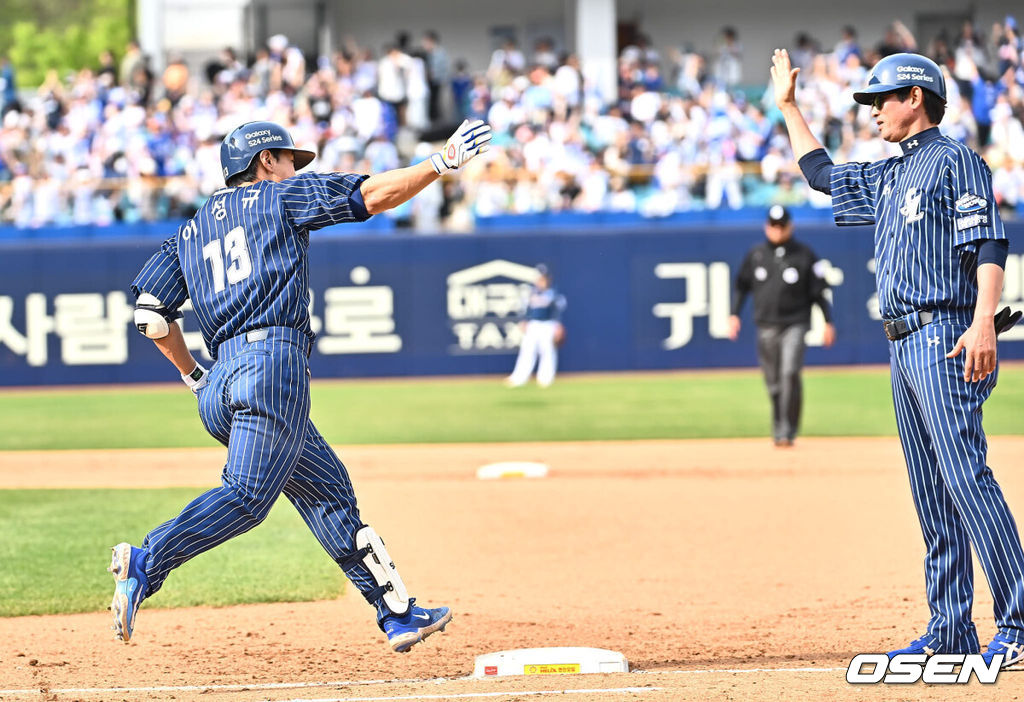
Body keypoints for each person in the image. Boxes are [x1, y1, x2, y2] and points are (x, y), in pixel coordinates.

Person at [110, 118, 491, 652]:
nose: (294, 167)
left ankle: (397, 613)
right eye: (289, 158)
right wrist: (440, 163)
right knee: (246, 497)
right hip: (272, 369)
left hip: (222, 382)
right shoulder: (278, 197)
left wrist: (194, 375)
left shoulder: (189, 232)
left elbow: (150, 316)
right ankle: (149, 559)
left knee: (327, 490)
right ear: (266, 161)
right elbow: (373, 195)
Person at [771, 47, 1024, 666]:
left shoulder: (954, 159)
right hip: (903, 342)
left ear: (915, 97)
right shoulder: (890, 174)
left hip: (945, 333)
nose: (873, 110)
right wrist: (787, 107)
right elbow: (822, 175)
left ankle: (1018, 620)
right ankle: (952, 627)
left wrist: (984, 322)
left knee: (965, 477)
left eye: (880, 98)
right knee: (931, 491)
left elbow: (989, 242)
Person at [728, 205, 835, 447]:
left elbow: (819, 292)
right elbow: (741, 286)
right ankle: (778, 425)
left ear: (790, 226)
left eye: (781, 226)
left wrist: (827, 322)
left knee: (789, 373)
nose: (777, 230)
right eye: (773, 226)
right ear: (767, 226)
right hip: (766, 325)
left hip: (795, 324)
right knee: (773, 381)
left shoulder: (804, 254)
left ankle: (788, 429)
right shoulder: (756, 254)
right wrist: (734, 315)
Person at [506, 264, 566, 388]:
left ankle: (545, 379)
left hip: (548, 324)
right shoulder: (531, 292)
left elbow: (557, 311)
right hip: (533, 324)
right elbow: (525, 309)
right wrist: (523, 321)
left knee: (548, 351)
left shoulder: (553, 293)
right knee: (527, 351)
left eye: (543, 278)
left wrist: (558, 326)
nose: (541, 280)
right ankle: (519, 378)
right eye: (539, 278)